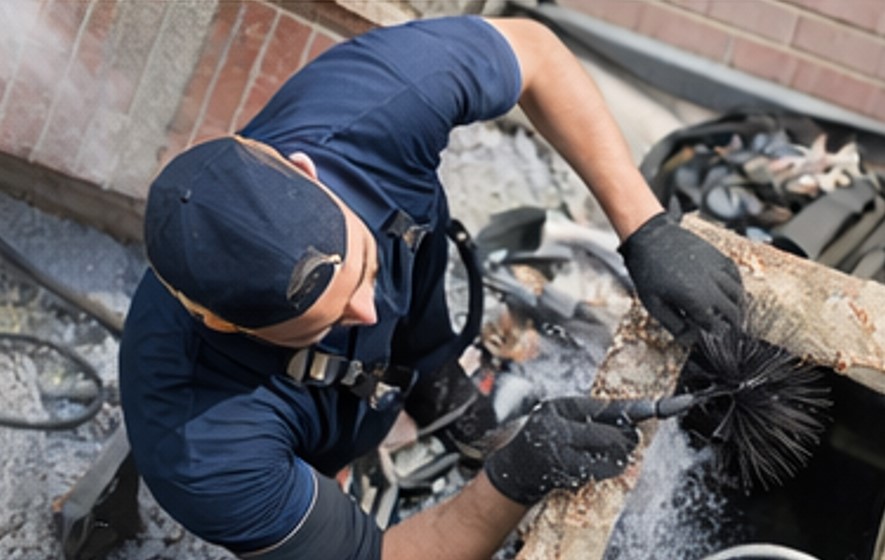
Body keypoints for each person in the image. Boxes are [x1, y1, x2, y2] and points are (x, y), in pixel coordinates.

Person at [119, 15, 744, 560]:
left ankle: (432, 380)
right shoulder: (199, 442)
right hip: (299, 438)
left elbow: (535, 53)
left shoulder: (368, 106)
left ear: (305, 171)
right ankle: (318, 473)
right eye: (324, 322)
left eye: (360, 267)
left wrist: (645, 228)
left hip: (402, 325)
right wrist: (510, 480)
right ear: (229, 326)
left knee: (407, 322)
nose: (367, 309)